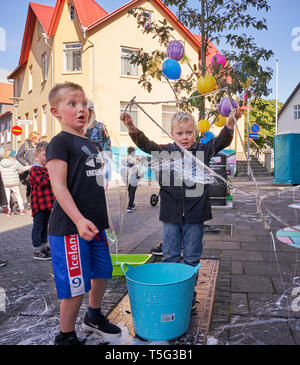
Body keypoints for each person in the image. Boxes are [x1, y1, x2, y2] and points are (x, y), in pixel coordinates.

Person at [121, 109, 241, 310]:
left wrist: (229, 124)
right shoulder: (166, 152)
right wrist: (131, 127)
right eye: (180, 133)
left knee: (192, 258)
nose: (184, 137)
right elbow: (146, 145)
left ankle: (188, 296)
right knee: (170, 257)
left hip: (195, 216)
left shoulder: (203, 150)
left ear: (195, 132)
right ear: (171, 133)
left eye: (188, 132)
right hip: (171, 216)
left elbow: (221, 141)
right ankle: (171, 294)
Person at [46, 82, 121, 345]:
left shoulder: (91, 144)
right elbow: (58, 185)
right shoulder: (60, 142)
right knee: (76, 286)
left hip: (95, 226)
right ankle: (65, 336)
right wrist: (78, 219)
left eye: (84, 104)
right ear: (56, 112)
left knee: (102, 273)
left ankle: (94, 316)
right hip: (69, 228)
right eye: (72, 104)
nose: (82, 109)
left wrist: (104, 221)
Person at [29, 141, 55, 261]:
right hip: (38, 204)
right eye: (45, 155)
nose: (47, 157)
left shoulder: (48, 168)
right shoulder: (34, 169)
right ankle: (37, 249)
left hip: (48, 204)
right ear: (37, 155)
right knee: (38, 226)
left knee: (46, 226)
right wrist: (51, 171)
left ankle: (44, 246)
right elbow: (42, 182)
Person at [0, 149, 31, 216]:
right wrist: (30, 166)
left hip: (5, 183)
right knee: (18, 196)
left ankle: (8, 212)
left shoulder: (1, 163)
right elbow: (22, 169)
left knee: (7, 197)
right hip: (14, 183)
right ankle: (21, 210)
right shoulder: (14, 162)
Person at [16, 131, 41, 207]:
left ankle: (33, 202)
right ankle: (25, 202)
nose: (39, 140)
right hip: (27, 169)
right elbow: (18, 156)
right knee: (25, 186)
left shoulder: (39, 146)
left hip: (36, 168)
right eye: (38, 139)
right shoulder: (25, 146)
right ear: (33, 139)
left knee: (35, 185)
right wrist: (26, 163)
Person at [121, 146, 143, 213]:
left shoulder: (133, 158)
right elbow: (129, 166)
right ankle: (129, 206)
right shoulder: (127, 159)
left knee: (130, 191)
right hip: (131, 178)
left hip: (129, 178)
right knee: (132, 192)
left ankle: (131, 204)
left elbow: (139, 167)